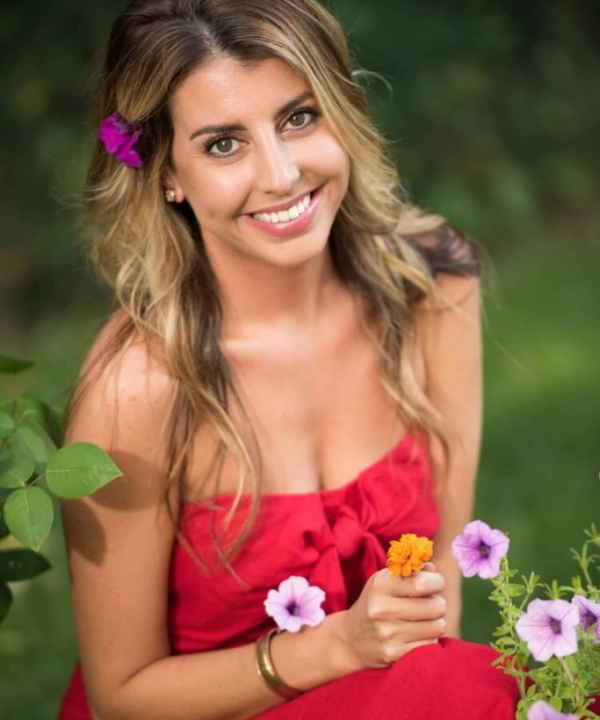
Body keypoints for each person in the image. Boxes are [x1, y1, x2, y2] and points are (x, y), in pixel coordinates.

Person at [57, 1, 521, 718]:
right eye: (222, 144)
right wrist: (333, 648)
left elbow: (439, 599)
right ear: (166, 171)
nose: (280, 175)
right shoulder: (140, 390)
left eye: (299, 117)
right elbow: (122, 698)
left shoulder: (432, 289)